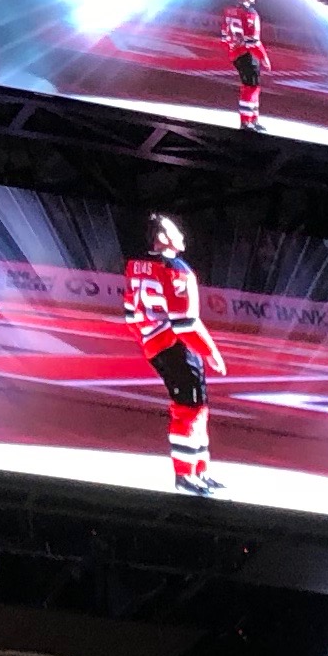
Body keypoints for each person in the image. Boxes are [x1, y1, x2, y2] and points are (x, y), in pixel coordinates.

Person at [122, 210, 228, 497]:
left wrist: (148, 339)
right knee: (190, 410)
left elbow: (131, 314)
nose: (181, 234)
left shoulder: (135, 265)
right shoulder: (176, 269)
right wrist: (211, 352)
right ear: (161, 239)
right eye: (173, 230)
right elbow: (186, 322)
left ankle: (199, 470)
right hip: (175, 345)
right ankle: (186, 474)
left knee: (196, 408)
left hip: (157, 344)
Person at [221, 0, 267, 132]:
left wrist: (233, 47)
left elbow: (224, 36)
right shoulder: (249, 13)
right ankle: (247, 122)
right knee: (251, 88)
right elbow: (253, 40)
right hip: (248, 53)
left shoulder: (228, 11)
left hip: (236, 53)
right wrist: (264, 57)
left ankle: (252, 120)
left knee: (252, 87)